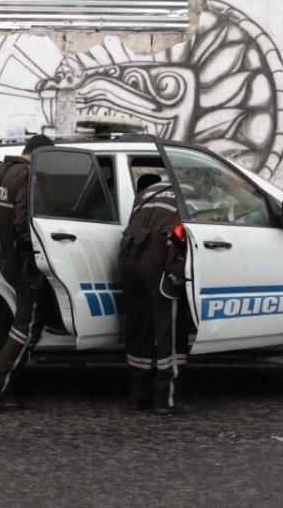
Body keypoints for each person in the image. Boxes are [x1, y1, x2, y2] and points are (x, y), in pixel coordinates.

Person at [0, 134, 54, 411]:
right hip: (21, 262)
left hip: (2, 259)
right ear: (38, 156)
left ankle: (10, 376)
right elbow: (23, 225)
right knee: (26, 323)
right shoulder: (27, 177)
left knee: (31, 320)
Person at [118, 173, 194, 415]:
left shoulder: (148, 192)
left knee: (138, 328)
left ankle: (137, 396)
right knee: (169, 331)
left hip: (129, 259)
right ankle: (167, 399)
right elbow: (184, 236)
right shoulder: (188, 194)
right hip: (158, 260)